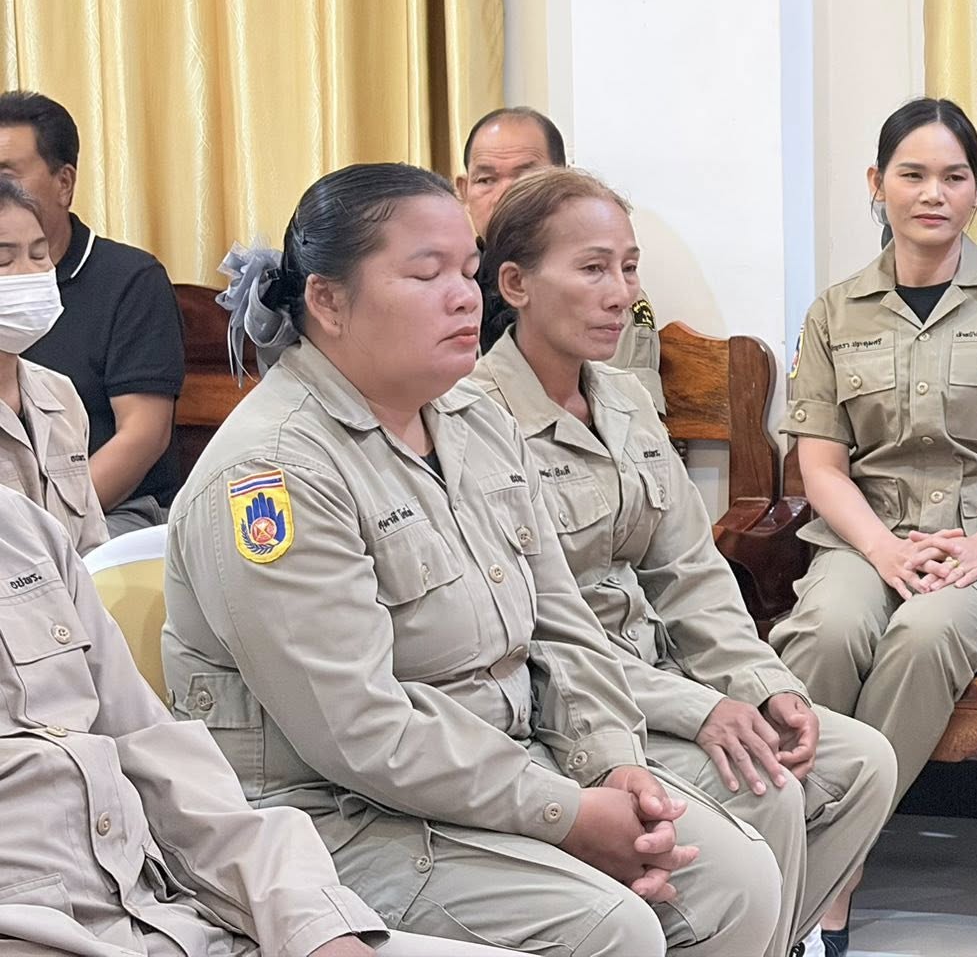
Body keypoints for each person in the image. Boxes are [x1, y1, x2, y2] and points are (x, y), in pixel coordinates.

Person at [160, 163, 780, 957]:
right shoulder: (274, 473)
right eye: (427, 275)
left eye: (467, 271)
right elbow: (358, 731)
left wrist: (608, 765)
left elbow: (561, 624)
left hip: (498, 767)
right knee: (609, 927)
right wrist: (565, 814)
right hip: (330, 814)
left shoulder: (469, 419)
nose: (464, 298)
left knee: (737, 879)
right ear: (328, 301)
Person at [474, 169, 897, 957]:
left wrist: (762, 685)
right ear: (515, 284)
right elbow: (541, 631)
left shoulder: (624, 399)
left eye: (629, 268)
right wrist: (699, 711)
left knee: (862, 762)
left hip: (659, 678)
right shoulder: (476, 419)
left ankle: (770, 942)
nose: (620, 294)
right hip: (567, 706)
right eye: (592, 268)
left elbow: (690, 574)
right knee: (767, 787)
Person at [772, 98, 977, 952]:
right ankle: (781, 839)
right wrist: (881, 549)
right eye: (911, 175)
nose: (932, 193)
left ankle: (833, 866)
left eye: (953, 177)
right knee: (827, 631)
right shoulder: (836, 312)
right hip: (867, 537)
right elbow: (821, 465)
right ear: (877, 184)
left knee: (923, 634)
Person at [0, 489, 384, 957]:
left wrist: (313, 922)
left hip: (177, 916)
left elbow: (157, 755)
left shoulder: (20, 528)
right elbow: (365, 733)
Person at [0, 91, 184, 534]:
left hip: (111, 511)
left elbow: (143, 434)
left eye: (6, 176)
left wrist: (51, 533)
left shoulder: (129, 280)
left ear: (64, 183)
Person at [456, 106, 665, 411]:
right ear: (464, 190)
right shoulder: (448, 291)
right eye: (486, 180)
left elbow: (626, 415)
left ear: (561, 180)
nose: (504, 194)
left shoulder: (613, 299)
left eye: (526, 176)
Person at [0, 179, 107, 553]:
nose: (29, 273)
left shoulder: (60, 395)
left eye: (39, 254)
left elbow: (93, 546)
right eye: (4, 260)